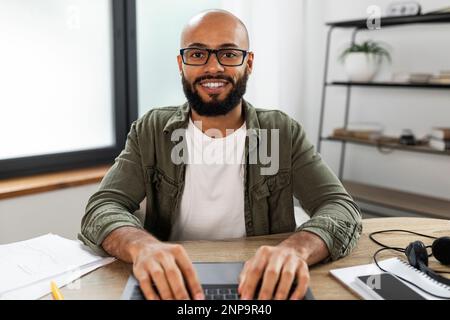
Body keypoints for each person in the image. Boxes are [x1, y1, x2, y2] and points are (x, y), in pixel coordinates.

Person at [79, 9, 362, 300]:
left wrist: (295, 250)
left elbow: (340, 207)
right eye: (198, 54)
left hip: (262, 284)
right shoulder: (151, 130)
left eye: (228, 54)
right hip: (172, 284)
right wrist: (143, 247)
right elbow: (103, 207)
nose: (213, 68)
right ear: (181, 64)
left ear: (248, 63)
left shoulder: (282, 132)